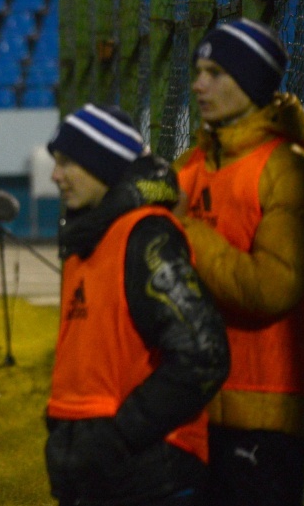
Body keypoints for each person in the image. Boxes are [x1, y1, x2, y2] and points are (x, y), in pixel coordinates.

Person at [173, 18, 304, 506]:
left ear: (251, 81)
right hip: (193, 404)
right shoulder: (191, 166)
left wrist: (185, 230)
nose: (199, 84)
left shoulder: (291, 169)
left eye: (216, 73)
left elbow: (271, 288)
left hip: (265, 413)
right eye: (198, 71)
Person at [44, 104, 231, 506]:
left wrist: (118, 436)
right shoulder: (87, 240)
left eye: (67, 162)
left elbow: (204, 354)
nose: (55, 175)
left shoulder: (146, 236)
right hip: (103, 474)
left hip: (151, 476)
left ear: (103, 165)